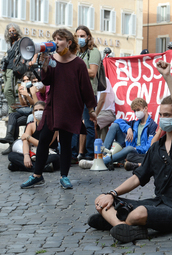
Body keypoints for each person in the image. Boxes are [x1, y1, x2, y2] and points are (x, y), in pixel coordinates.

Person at [87, 60, 172, 243]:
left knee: (137, 213)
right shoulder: (157, 147)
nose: (162, 118)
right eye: (161, 115)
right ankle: (122, 226)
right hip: (158, 203)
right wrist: (112, 193)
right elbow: (137, 177)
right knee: (102, 200)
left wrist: (167, 76)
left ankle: (118, 222)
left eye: (167, 115)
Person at [20, 28, 97, 189]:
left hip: (70, 108)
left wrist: (91, 110)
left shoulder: (79, 64)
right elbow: (46, 81)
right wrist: (45, 65)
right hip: (52, 106)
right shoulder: (51, 59)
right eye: (54, 38)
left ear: (69, 42)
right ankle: (37, 175)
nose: (56, 41)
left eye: (60, 39)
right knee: (44, 140)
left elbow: (86, 89)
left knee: (66, 142)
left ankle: (64, 176)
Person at [79, 98, 157, 170]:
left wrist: (137, 149)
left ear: (146, 108)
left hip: (139, 153)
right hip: (127, 149)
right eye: (135, 111)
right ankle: (102, 156)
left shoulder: (152, 125)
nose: (136, 112)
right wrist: (128, 128)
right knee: (115, 126)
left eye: (138, 110)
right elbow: (117, 121)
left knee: (130, 148)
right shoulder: (134, 123)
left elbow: (150, 146)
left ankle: (101, 162)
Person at [72, 25, 101, 162]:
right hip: (75, 93)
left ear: (88, 37)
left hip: (88, 92)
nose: (80, 39)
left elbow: (93, 72)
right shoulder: (76, 52)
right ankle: (73, 154)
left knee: (89, 124)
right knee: (73, 123)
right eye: (77, 36)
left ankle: (89, 153)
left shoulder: (93, 51)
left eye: (82, 36)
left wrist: (76, 68)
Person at [0, 71, 46, 155]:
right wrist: (20, 93)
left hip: (32, 112)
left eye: (27, 80)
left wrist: (28, 95)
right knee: (13, 115)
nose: (25, 82)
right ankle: (9, 137)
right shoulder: (25, 89)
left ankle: (14, 143)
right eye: (24, 80)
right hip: (25, 110)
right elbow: (23, 104)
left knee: (17, 121)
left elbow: (36, 105)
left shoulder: (35, 88)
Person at [8, 101, 60, 172]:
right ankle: (44, 167)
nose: (38, 112)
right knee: (11, 155)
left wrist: (29, 137)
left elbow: (45, 145)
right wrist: (26, 156)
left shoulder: (53, 126)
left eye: (41, 110)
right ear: (33, 113)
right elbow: (25, 142)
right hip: (33, 154)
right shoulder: (31, 125)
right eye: (36, 110)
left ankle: (20, 166)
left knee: (56, 158)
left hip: (48, 153)